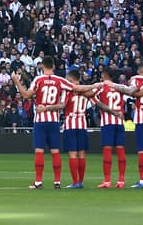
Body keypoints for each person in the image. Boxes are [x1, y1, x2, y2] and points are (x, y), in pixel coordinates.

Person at [14, 55, 93, 189]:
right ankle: (57, 181)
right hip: (54, 121)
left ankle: (38, 181)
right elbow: (77, 88)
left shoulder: (38, 79)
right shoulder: (60, 80)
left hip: (40, 120)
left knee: (39, 151)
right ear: (54, 67)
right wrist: (97, 84)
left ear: (42, 66)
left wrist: (16, 80)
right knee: (55, 151)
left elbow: (26, 95)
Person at [93, 67, 129, 188]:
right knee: (120, 150)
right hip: (119, 122)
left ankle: (107, 181)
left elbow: (92, 96)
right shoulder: (120, 88)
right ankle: (121, 181)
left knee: (107, 151)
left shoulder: (102, 86)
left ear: (104, 75)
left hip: (108, 122)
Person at [61, 69, 91, 189]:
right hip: (82, 124)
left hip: (70, 124)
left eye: (68, 79)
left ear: (72, 79)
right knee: (81, 154)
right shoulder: (87, 90)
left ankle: (75, 182)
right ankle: (81, 181)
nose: (67, 82)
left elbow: (62, 105)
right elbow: (95, 100)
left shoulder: (67, 91)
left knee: (72, 154)